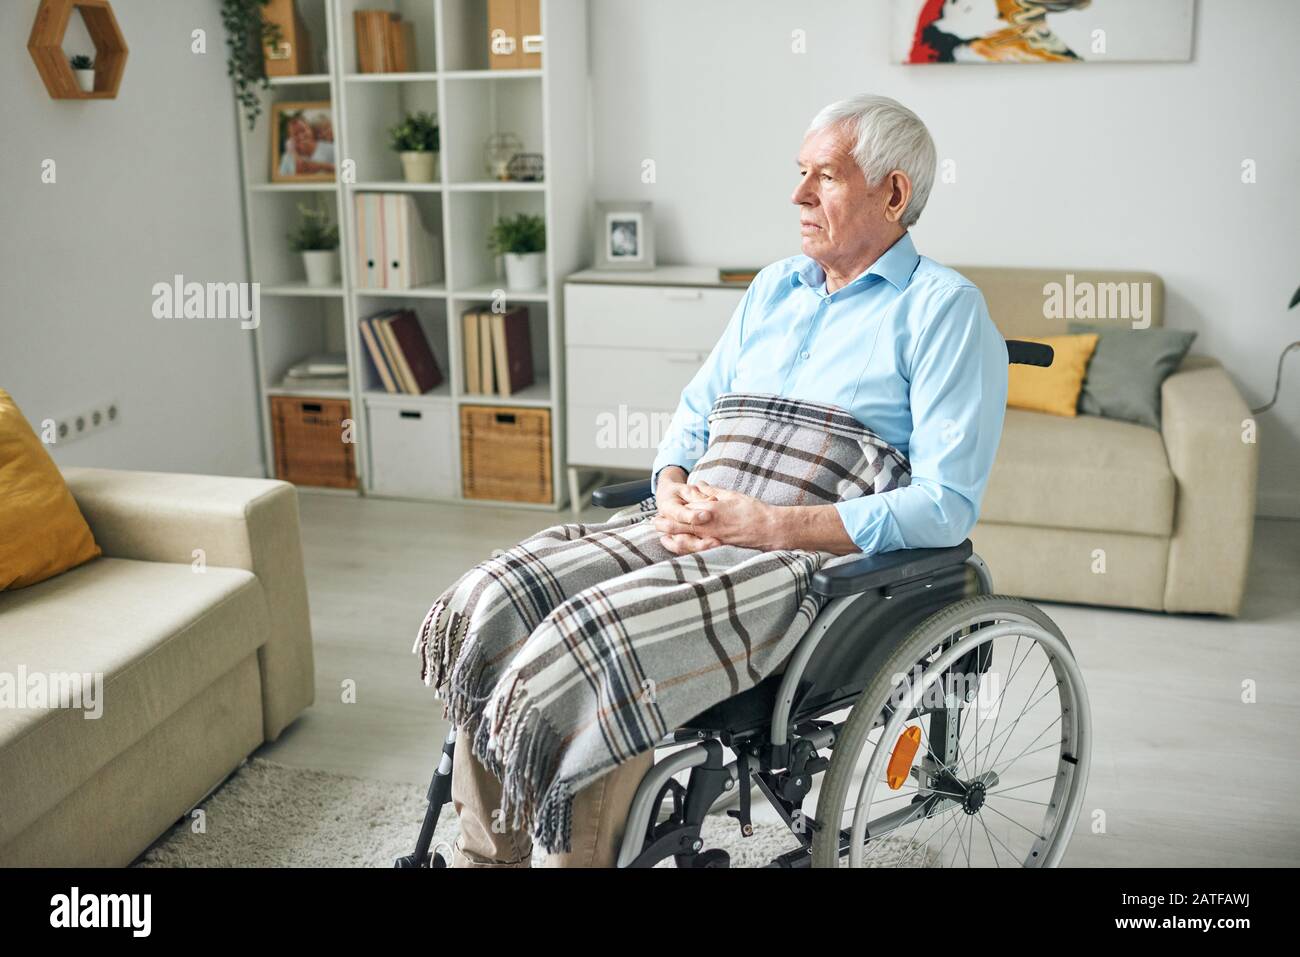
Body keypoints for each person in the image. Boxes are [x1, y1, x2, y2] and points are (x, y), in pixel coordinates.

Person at [448, 93, 1008, 867]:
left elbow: (946, 506)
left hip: (792, 565)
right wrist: (672, 480)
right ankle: (491, 853)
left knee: (600, 645)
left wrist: (771, 527)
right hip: (687, 522)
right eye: (799, 173)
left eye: (825, 176)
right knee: (498, 596)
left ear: (894, 193)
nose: (799, 195)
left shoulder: (944, 311)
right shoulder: (775, 286)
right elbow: (696, 411)